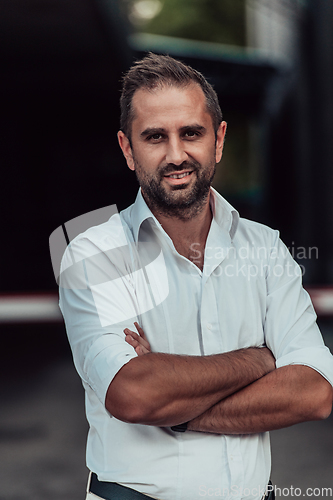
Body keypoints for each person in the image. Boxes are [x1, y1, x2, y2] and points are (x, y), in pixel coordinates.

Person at [59, 53, 333, 500]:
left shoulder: (265, 249)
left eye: (191, 133)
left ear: (219, 139)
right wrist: (261, 359)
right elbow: (135, 394)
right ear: (128, 149)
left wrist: (178, 410)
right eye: (154, 137)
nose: (176, 154)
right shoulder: (93, 253)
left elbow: (314, 392)